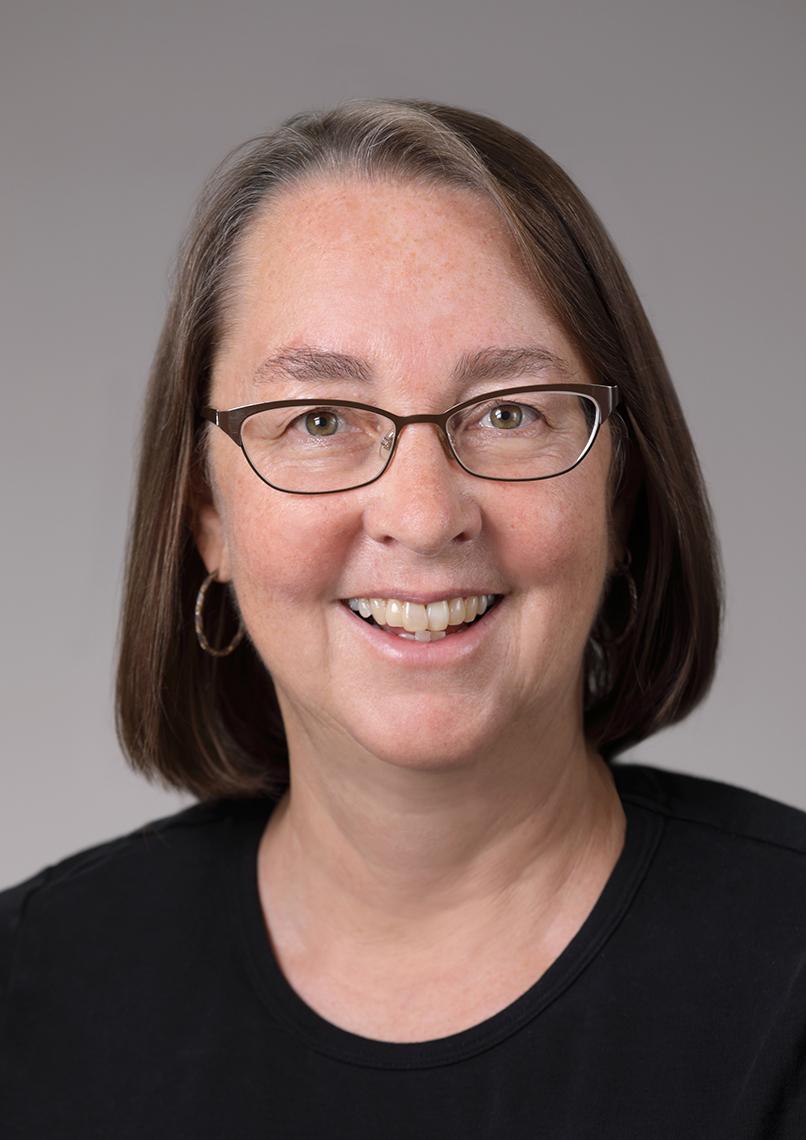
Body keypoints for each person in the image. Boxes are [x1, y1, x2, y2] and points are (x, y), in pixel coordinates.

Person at [1, 98, 804, 1139]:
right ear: (205, 513)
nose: (423, 517)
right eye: (319, 420)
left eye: (509, 412)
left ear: (618, 485)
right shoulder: (31, 992)